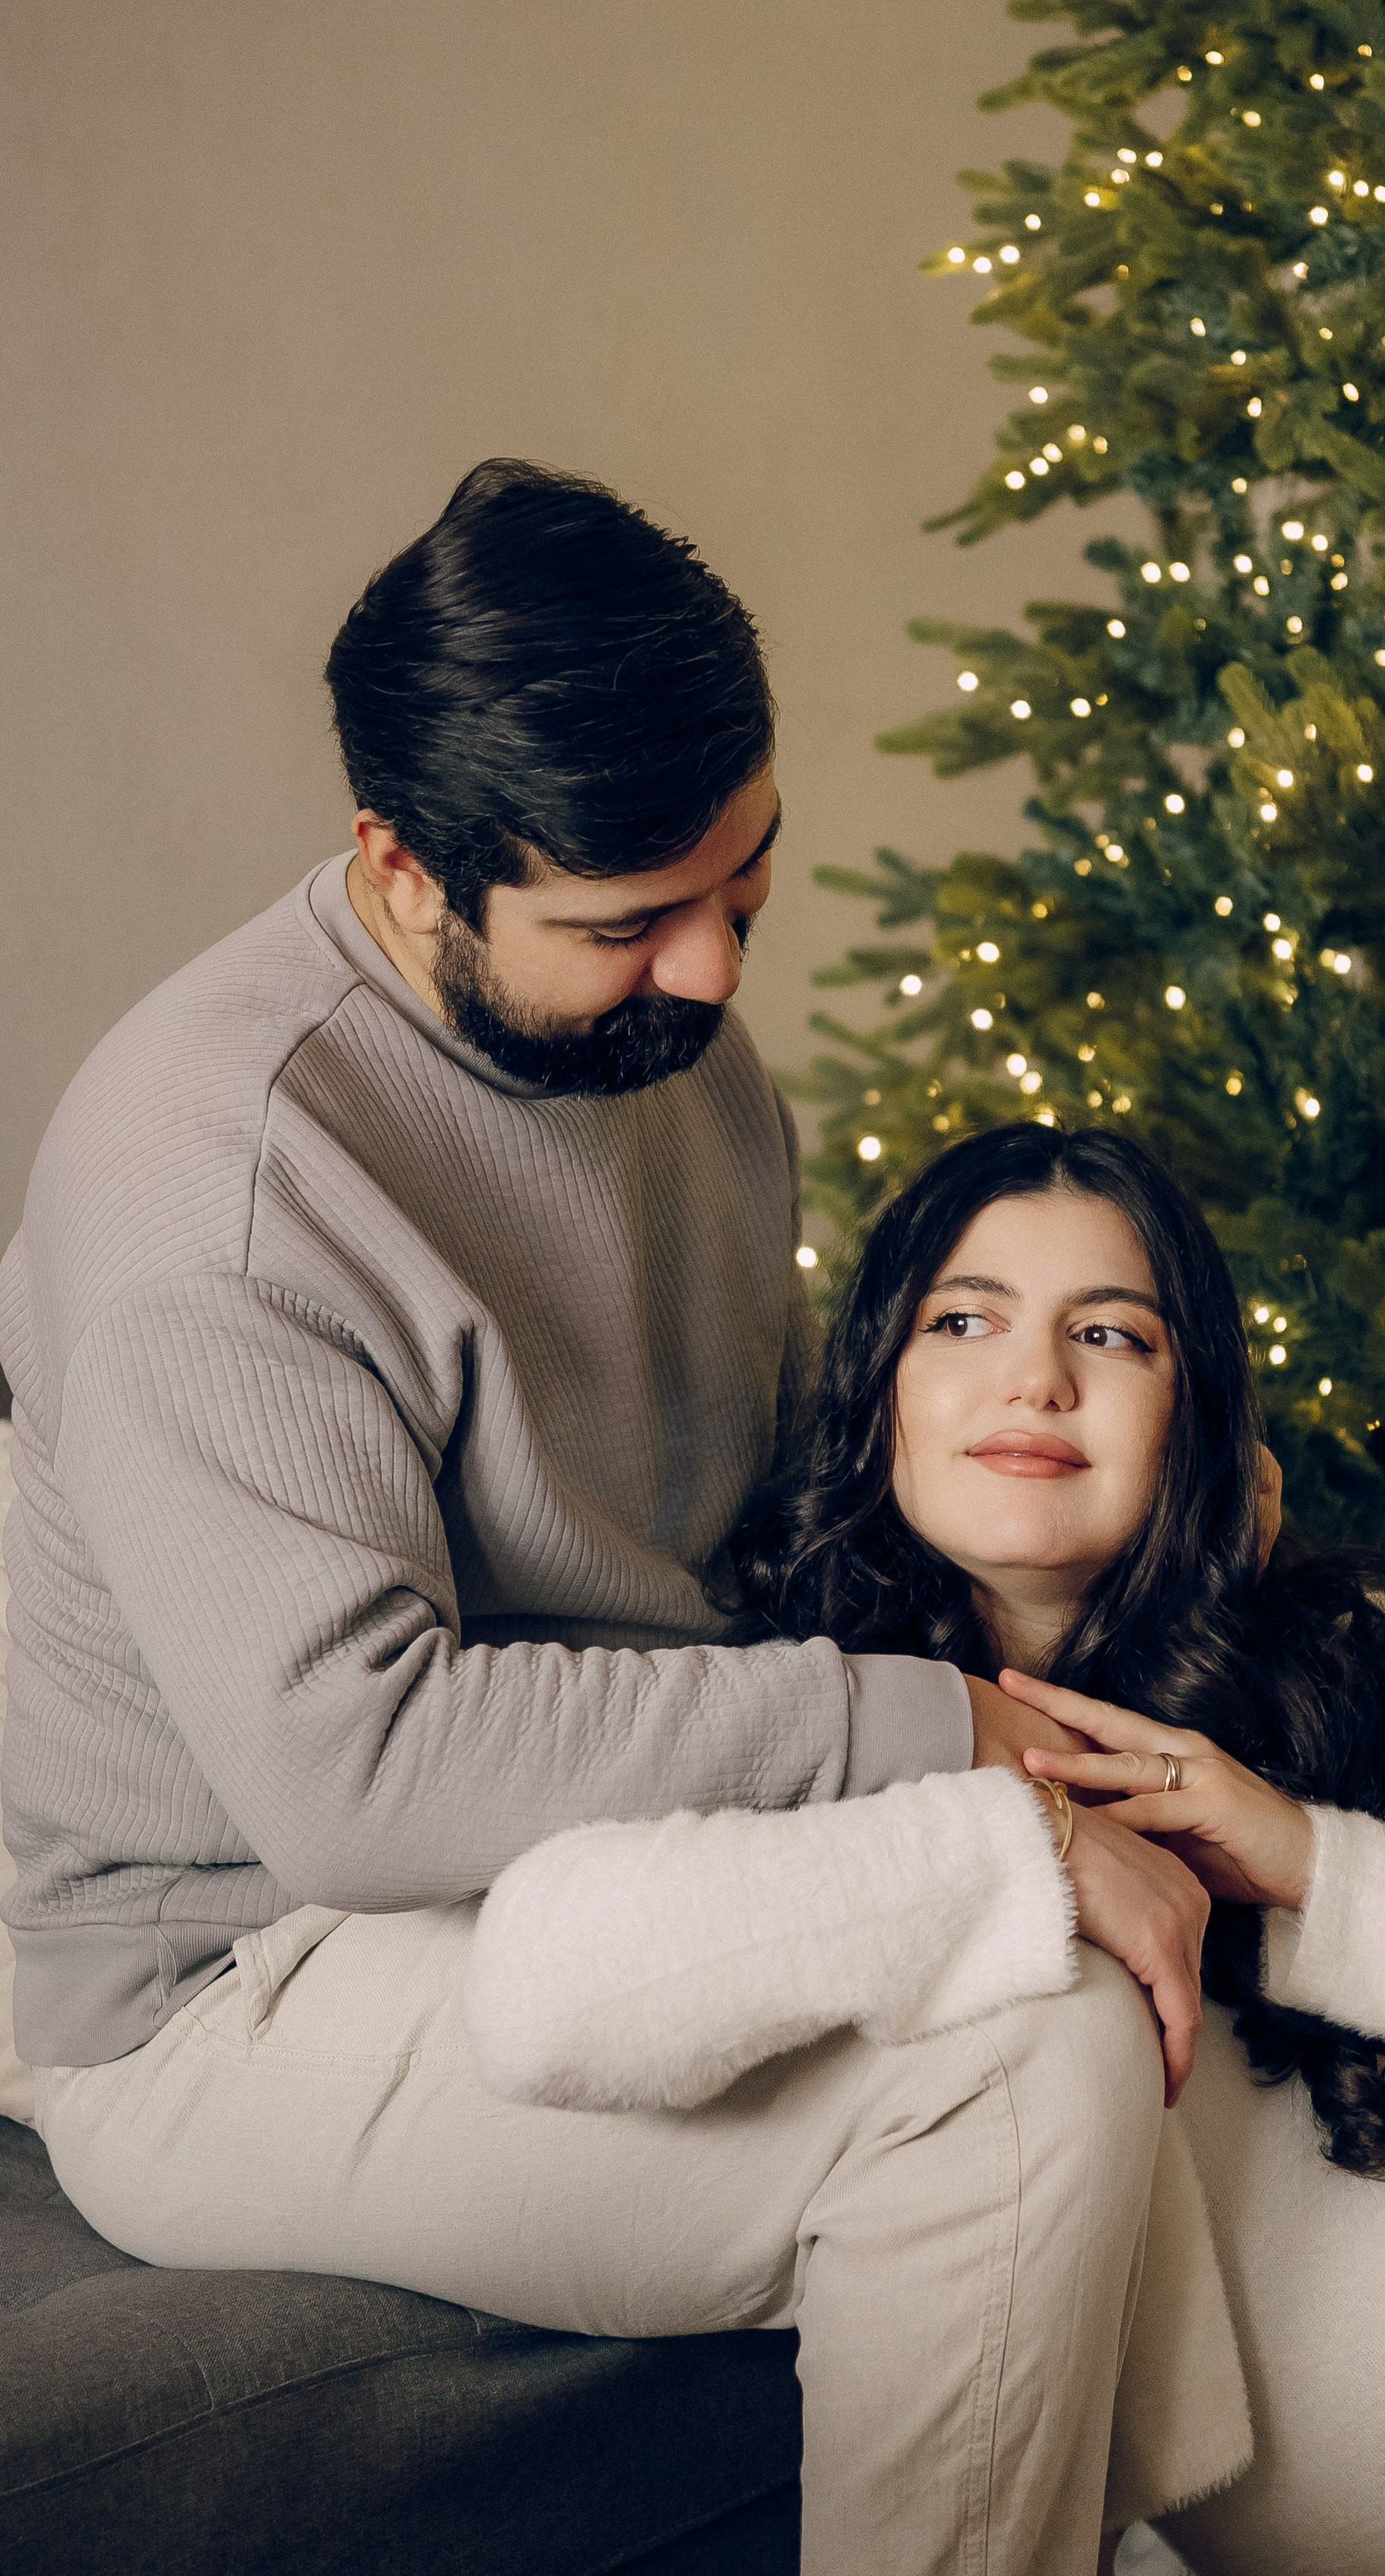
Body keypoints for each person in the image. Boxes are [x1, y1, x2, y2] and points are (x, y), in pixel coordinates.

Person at [0, 461, 1247, 2576]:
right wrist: (945, 1757)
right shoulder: (205, 1194)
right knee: (1005, 2081)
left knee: (1119, 1985)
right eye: (625, 925)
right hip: (233, 1974)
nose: (707, 974)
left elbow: (746, 1534)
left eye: (745, 887)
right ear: (404, 869)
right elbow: (361, 1782)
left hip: (608, 1862)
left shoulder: (670, 1048)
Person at [731, 1119, 1385, 2576]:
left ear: (1196, 1422)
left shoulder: (1348, 1681)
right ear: (878, 1396)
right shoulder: (811, 1756)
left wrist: (1303, 1859)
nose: (1037, 1378)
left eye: (1113, 1333)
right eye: (962, 1319)